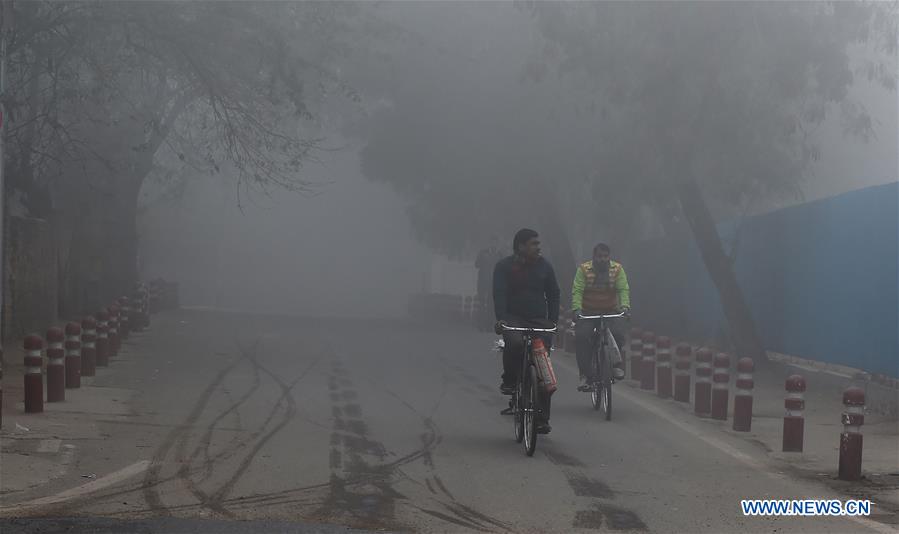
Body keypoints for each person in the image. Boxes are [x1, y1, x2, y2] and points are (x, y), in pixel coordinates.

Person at [493, 228, 560, 433]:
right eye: (534, 244)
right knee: (514, 343)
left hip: (540, 320)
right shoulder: (504, 267)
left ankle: (541, 419)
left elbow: (554, 293)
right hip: (514, 317)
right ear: (521, 246)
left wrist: (553, 321)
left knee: (542, 368)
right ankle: (511, 380)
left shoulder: (545, 266)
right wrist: (501, 319)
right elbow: (500, 294)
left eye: (539, 244)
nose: (538, 247)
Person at [571, 242, 630, 390]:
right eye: (599, 256)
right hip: (588, 311)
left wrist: (625, 307)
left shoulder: (617, 269)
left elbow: (623, 289)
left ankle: (616, 365)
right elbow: (577, 291)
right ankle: (585, 375)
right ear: (594, 257)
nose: (602, 259)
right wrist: (576, 310)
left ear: (609, 257)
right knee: (582, 337)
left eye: (605, 256)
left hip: (610, 310)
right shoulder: (583, 270)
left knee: (618, 333)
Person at [474, 236, 503, 331]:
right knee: (481, 304)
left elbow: (502, 268)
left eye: (495, 242)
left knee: (491, 305)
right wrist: (484, 260)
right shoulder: (482, 253)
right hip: (483, 282)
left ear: (497, 243)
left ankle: (489, 325)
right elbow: (476, 264)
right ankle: (480, 325)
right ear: (489, 243)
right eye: (492, 242)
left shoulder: (499, 254)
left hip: (493, 283)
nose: (493, 244)